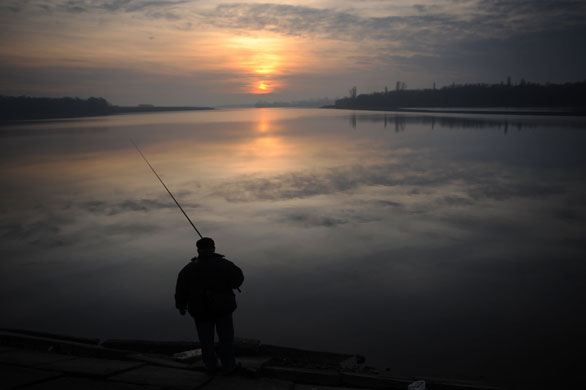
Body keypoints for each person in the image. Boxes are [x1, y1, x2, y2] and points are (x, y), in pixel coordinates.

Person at [175, 237, 244, 375]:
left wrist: (181, 307)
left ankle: (210, 366)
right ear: (213, 248)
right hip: (223, 309)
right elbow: (238, 280)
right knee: (226, 340)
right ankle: (229, 367)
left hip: (200, 311)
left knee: (206, 341)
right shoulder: (225, 264)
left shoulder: (188, 269)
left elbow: (181, 290)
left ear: (198, 250)